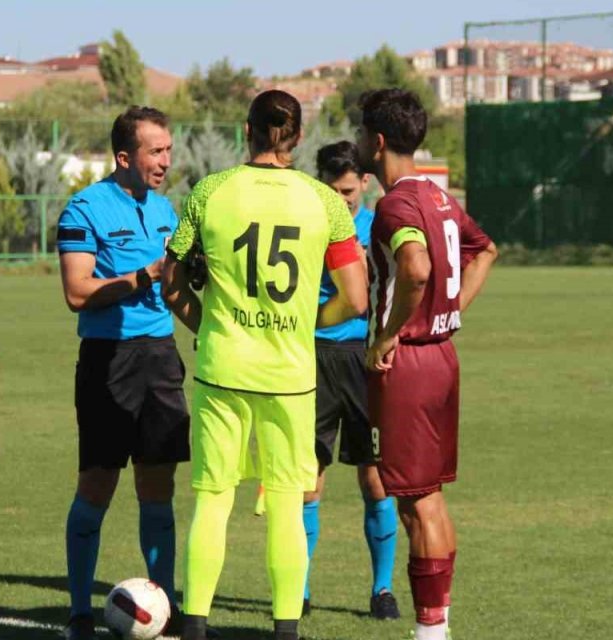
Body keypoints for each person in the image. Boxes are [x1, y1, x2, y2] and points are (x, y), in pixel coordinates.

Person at [161, 90, 369, 640]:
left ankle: (196, 627)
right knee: (283, 503)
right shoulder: (323, 201)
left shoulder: (211, 191)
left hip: (221, 368)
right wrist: (308, 322)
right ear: (298, 138)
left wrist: (208, 325)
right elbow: (356, 296)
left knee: (212, 497)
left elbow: (171, 281)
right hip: (290, 377)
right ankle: (285, 630)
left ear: (246, 131)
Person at [356, 88, 498, 640]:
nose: (361, 141)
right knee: (429, 498)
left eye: (364, 133)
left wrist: (386, 337)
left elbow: (414, 268)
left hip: (411, 363)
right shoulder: (439, 198)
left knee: (418, 505)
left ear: (380, 141)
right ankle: (438, 626)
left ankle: (430, 633)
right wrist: (451, 307)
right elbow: (485, 250)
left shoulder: (395, 205)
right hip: (442, 355)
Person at [55, 105, 189, 640]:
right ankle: (78, 614)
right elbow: (76, 292)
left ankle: (167, 611)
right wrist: (141, 276)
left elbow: (176, 289)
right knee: (97, 486)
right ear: (124, 156)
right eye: (155, 151)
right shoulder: (84, 208)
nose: (165, 161)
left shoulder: (165, 210)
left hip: (159, 357)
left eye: (169, 150)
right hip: (108, 360)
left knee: (159, 488)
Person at [300, 141, 400, 620]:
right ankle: (296, 589)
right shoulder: (304, 222)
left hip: (366, 358)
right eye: (331, 190)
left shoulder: (379, 225)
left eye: (348, 190)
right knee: (307, 482)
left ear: (364, 182)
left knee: (376, 479)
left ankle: (382, 590)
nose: (341, 200)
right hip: (313, 355)